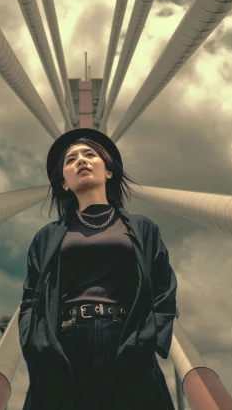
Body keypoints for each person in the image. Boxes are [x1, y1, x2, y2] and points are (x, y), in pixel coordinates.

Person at [18, 128, 177, 410]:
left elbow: (164, 288)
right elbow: (31, 298)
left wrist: (148, 339)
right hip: (64, 342)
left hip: (126, 340)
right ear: (64, 183)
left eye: (90, 154)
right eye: (71, 160)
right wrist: (38, 346)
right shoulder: (46, 237)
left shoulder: (142, 228)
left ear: (109, 172)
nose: (81, 160)